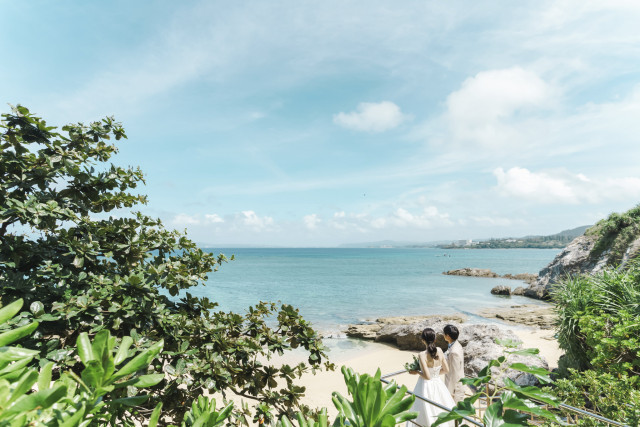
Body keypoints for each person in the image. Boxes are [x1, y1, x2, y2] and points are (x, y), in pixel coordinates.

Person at [406, 328, 456, 427]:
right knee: (441, 406)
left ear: (423, 340)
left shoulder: (422, 355)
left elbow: (427, 377)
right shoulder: (440, 350)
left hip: (425, 386)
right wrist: (435, 374)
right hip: (438, 383)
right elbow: (446, 370)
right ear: (435, 339)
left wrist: (417, 372)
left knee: (424, 408)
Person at [443, 324, 465, 403]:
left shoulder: (454, 352)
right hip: (454, 385)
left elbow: (454, 374)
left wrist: (451, 392)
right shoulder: (457, 345)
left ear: (448, 336)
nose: (443, 335)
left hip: (455, 389)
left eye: (444, 333)